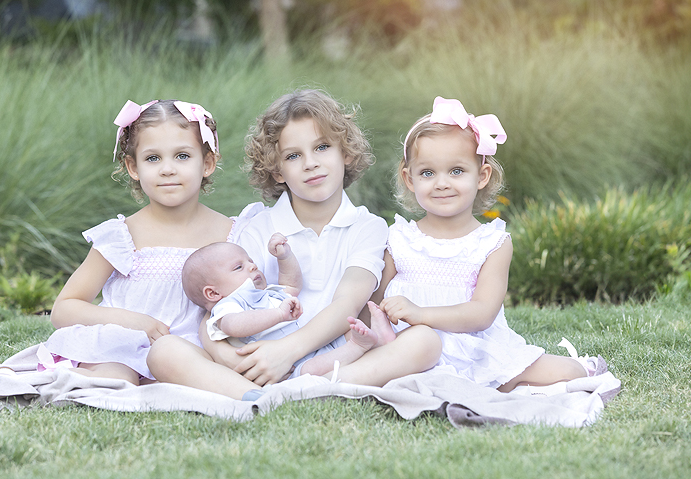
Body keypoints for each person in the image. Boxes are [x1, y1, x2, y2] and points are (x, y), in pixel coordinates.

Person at [147, 89, 441, 398]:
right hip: (260, 357)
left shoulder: (368, 227)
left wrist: (288, 351)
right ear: (277, 171)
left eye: (322, 147)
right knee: (164, 351)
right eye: (293, 156)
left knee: (424, 341)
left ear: (346, 153)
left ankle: (312, 389)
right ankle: (256, 397)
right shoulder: (259, 227)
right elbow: (219, 309)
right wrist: (229, 357)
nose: (310, 163)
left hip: (333, 356)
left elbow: (348, 302)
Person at [372, 96, 606, 393]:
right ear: (409, 179)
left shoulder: (491, 243)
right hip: (409, 350)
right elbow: (374, 303)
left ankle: (564, 369)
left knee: (567, 373)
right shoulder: (399, 239)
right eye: (427, 173)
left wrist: (421, 314)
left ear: (482, 176)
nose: (442, 183)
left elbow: (482, 313)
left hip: (475, 349)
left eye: (456, 171)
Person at [43, 99, 240, 385]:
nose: (167, 169)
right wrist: (135, 322)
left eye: (182, 156)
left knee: (185, 373)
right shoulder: (122, 237)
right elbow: (64, 308)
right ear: (133, 167)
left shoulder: (232, 234)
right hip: (120, 349)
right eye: (153, 158)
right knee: (116, 380)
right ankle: (73, 380)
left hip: (190, 354)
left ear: (207, 163)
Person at [182, 235, 386, 377]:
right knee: (312, 370)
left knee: (347, 332)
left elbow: (291, 285)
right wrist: (278, 314)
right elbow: (234, 325)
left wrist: (284, 257)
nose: (252, 266)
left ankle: (378, 341)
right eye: (238, 267)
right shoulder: (228, 305)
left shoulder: (267, 293)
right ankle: (359, 347)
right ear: (213, 293)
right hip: (288, 367)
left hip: (310, 345)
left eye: (250, 261)